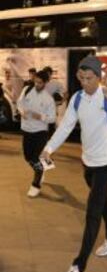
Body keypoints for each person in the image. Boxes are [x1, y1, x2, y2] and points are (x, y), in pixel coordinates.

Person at [40, 56, 107, 272]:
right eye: (81, 78)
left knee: (93, 211)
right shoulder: (77, 99)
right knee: (105, 201)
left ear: (99, 76)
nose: (85, 82)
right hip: (89, 161)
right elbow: (65, 127)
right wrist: (48, 148)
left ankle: (78, 266)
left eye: (90, 78)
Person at [17, 70, 56, 198]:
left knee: (36, 159)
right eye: (35, 81)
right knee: (28, 157)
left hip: (40, 132)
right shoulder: (27, 89)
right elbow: (19, 103)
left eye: (40, 82)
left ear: (45, 83)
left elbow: (52, 118)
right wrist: (22, 112)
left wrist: (40, 116)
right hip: (26, 130)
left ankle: (36, 184)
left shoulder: (48, 99)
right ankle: (43, 166)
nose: (36, 84)